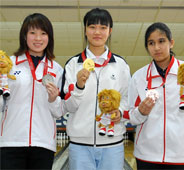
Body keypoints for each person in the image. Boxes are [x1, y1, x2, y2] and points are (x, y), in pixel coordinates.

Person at [60, 8, 131, 170]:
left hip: (113, 144)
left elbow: (128, 98)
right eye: (92, 27)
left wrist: (119, 111)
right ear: (85, 30)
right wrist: (79, 86)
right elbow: (68, 106)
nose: (97, 32)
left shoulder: (120, 65)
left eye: (103, 28)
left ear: (110, 31)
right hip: (80, 144)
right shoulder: (73, 64)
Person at [0, 13, 64, 169]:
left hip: (43, 144)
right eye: (32, 33)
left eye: (43, 33)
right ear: (24, 36)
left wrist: (54, 98)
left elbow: (59, 112)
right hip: (11, 141)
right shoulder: (9, 64)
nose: (38, 38)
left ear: (49, 38)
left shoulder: (57, 69)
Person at [123, 22, 184, 169]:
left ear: (171, 43)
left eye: (161, 41)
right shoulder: (139, 77)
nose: (157, 47)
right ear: (147, 47)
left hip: (182, 156)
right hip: (147, 156)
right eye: (151, 43)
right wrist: (141, 112)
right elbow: (132, 117)